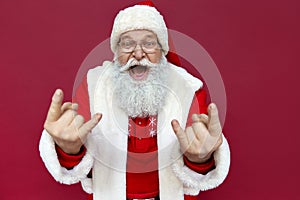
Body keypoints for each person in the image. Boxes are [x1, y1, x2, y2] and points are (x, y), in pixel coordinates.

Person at [39, 2, 230, 200]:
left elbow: (199, 158)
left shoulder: (187, 88)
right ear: (116, 51)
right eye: (128, 44)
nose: (138, 54)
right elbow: (77, 163)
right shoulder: (93, 85)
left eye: (148, 43)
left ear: (162, 49)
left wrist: (201, 158)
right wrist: (68, 148)